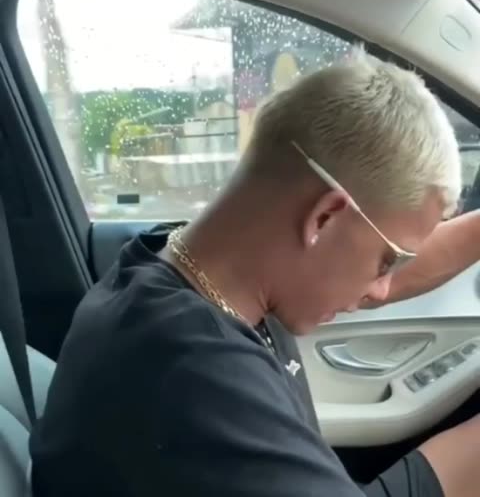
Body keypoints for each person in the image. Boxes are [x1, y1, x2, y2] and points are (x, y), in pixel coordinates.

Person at [29, 47, 479, 497]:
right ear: (324, 218)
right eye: (387, 260)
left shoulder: (175, 270)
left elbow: (387, 261)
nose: (381, 289)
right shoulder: (197, 377)